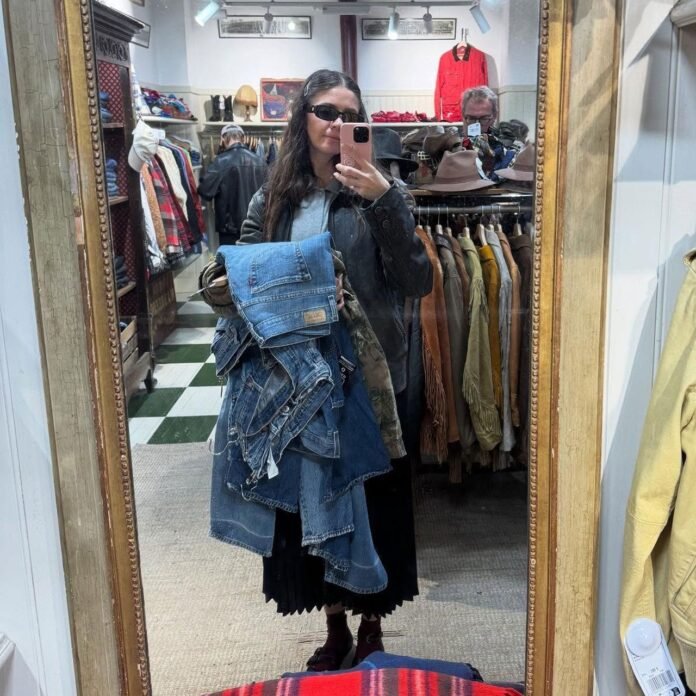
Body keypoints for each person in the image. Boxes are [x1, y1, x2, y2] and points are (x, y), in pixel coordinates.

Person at [238, 69, 433, 671]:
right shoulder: (273, 199)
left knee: (371, 502)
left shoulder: (381, 192)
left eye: (350, 115)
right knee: (311, 503)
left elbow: (417, 279)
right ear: (303, 117)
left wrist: (384, 201)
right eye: (326, 111)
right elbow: (243, 269)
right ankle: (334, 625)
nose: (337, 124)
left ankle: (372, 624)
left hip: (368, 380)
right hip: (297, 378)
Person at [198, 123, 267, 246]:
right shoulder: (260, 161)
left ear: (223, 139)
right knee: (255, 257)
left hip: (230, 229)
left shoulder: (220, 162)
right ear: (243, 138)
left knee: (231, 258)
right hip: (257, 224)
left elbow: (205, 191)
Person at [460, 85, 508, 177]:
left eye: (484, 118)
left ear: (495, 116)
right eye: (471, 118)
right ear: (463, 115)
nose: (477, 125)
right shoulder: (452, 151)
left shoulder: (506, 151)